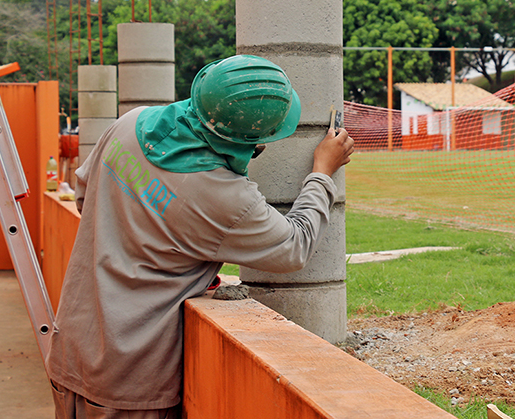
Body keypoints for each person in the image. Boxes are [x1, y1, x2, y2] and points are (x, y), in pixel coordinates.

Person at [46, 55, 354, 418]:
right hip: (128, 381)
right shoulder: (225, 197)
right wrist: (322, 172)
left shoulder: (130, 124)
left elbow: (85, 196)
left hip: (70, 350)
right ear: (252, 139)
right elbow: (293, 247)